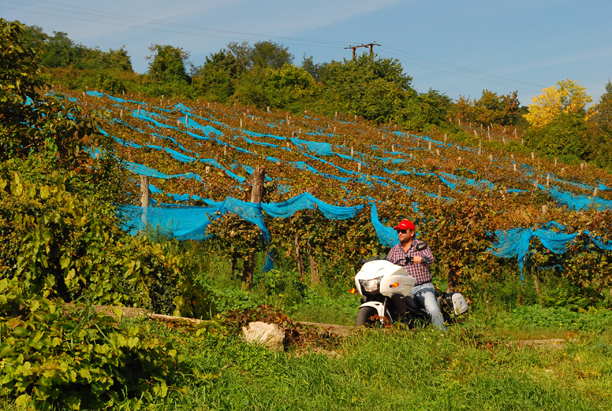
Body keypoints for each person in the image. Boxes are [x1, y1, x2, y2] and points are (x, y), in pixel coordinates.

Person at [386, 219, 446, 331]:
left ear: (412, 232)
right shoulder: (394, 250)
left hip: (422, 286)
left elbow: (430, 259)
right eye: (398, 231)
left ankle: (442, 335)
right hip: (402, 287)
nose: (400, 233)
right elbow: (387, 264)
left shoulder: (420, 246)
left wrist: (421, 259)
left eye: (403, 231)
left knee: (432, 309)